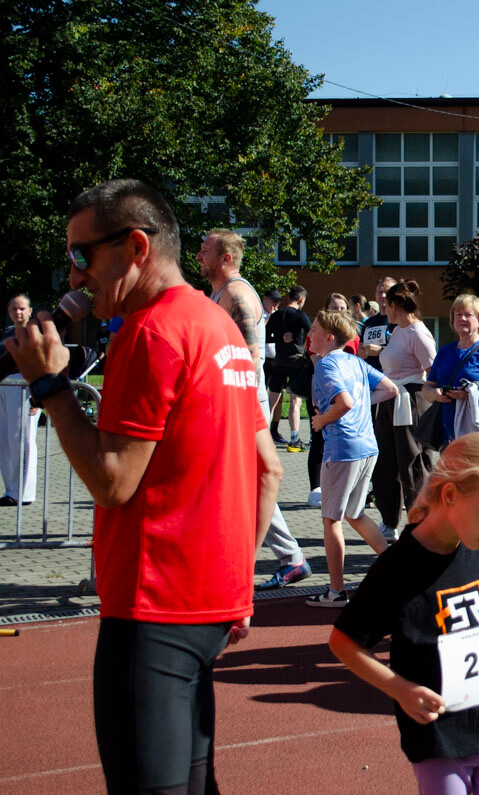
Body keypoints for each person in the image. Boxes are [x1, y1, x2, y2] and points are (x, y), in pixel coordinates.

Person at [4, 178, 281, 791]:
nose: (73, 276)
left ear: (135, 247)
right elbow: (270, 469)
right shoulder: (220, 327)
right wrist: (237, 588)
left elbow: (113, 482)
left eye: (81, 255)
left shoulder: (151, 331)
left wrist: (50, 386)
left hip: (152, 606)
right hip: (207, 604)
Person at [328, 433, 479, 794]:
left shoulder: (478, 547)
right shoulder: (396, 568)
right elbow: (344, 642)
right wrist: (400, 689)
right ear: (450, 495)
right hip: (438, 739)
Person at [198, 228, 311, 590]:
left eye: (205, 251)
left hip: (243, 403)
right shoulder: (221, 293)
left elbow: (249, 357)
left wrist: (237, 408)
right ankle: (289, 557)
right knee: (242, 484)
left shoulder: (237, 294)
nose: (198, 256)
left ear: (225, 258)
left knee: (248, 483)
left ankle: (286, 558)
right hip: (234, 402)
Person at [305, 310, 399, 608]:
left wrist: (322, 421)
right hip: (367, 445)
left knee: (331, 518)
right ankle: (400, 570)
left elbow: (343, 402)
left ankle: (336, 591)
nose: (310, 335)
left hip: (342, 447)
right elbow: (389, 389)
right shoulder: (356, 362)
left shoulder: (326, 365)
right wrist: (360, 403)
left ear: (329, 338)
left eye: (315, 329)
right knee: (355, 513)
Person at [374, 280, 437, 542]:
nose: (383, 309)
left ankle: (421, 522)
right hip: (391, 399)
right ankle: (390, 521)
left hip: (410, 400)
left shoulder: (417, 332)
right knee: (385, 461)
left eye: (385, 304)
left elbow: (432, 370)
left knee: (412, 462)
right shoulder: (399, 330)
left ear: (394, 305)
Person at [422, 294, 479, 448]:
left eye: (468, 315)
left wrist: (470, 395)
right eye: (458, 315)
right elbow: (427, 388)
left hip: (477, 437)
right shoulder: (445, 352)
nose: (462, 318)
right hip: (448, 436)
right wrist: (434, 394)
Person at [305, 293, 361, 504]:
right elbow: (315, 360)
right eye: (334, 308)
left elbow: (356, 360)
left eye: (342, 308)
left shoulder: (353, 333)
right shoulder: (318, 332)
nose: (338, 312)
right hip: (324, 388)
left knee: (343, 435)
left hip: (347, 388)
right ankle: (316, 488)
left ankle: (346, 488)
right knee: (319, 436)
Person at [1, 293, 39, 506]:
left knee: (22, 440)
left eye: (22, 308)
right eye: (14, 308)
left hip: (24, 386)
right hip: (4, 387)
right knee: (5, 441)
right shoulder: (6, 333)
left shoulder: (36, 333)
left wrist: (37, 397)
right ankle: (11, 489)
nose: (18, 312)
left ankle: (24, 493)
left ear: (30, 310)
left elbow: (42, 364)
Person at [266, 284, 311, 448]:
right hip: (295, 362)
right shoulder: (300, 315)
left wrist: (279, 338)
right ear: (301, 299)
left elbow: (265, 336)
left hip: (279, 362)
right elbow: (311, 332)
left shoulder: (277, 315)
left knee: (271, 402)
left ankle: (262, 440)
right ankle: (294, 439)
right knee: (295, 402)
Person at [358, 276, 398, 369]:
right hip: (370, 374)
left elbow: (405, 350)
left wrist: (382, 350)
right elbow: (360, 347)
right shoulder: (369, 322)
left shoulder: (400, 322)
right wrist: (361, 352)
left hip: (393, 375)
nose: (383, 296)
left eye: (387, 292)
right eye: (380, 292)